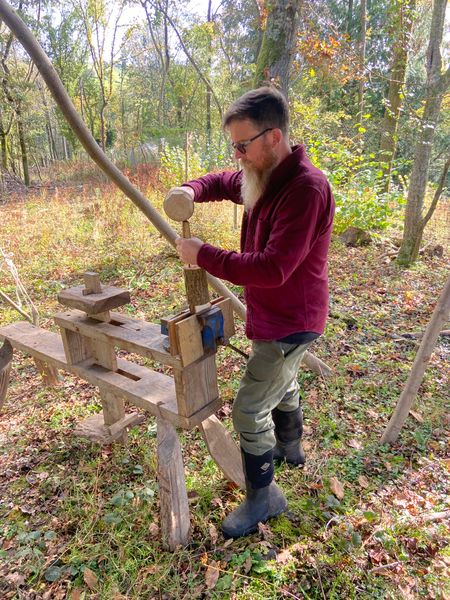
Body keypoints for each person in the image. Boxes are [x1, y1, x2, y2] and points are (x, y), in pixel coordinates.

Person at [173, 86, 335, 538]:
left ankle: (264, 497)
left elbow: (273, 267)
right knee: (284, 383)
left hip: (292, 322)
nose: (238, 155)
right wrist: (189, 188)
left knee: (248, 409)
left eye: (243, 145)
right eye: (234, 146)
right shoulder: (264, 173)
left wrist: (202, 253)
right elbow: (224, 182)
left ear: (274, 138)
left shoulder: (305, 190)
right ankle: (291, 446)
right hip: (275, 317)